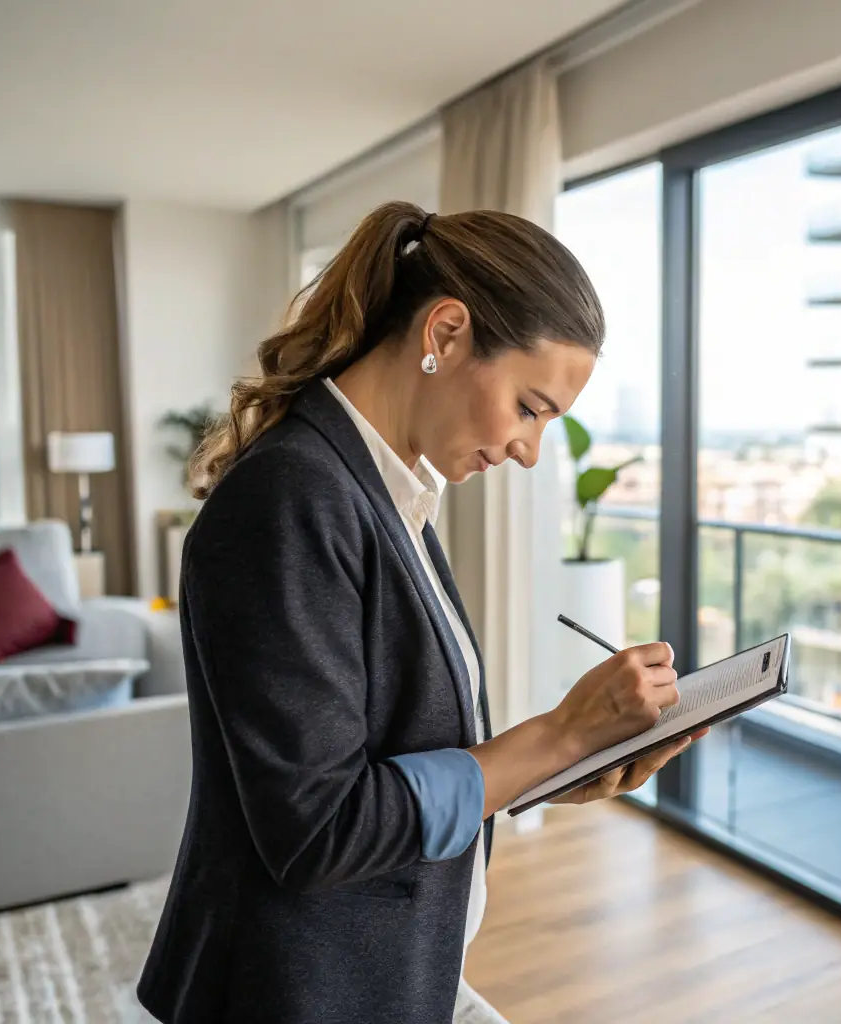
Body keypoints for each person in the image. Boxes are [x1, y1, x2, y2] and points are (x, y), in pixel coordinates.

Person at [137, 202, 702, 1024]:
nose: (529, 450)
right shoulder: (292, 497)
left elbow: (395, 753)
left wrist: (552, 770)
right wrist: (554, 735)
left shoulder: (386, 496)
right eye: (529, 407)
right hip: (295, 990)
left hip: (394, 973)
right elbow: (321, 826)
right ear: (444, 334)